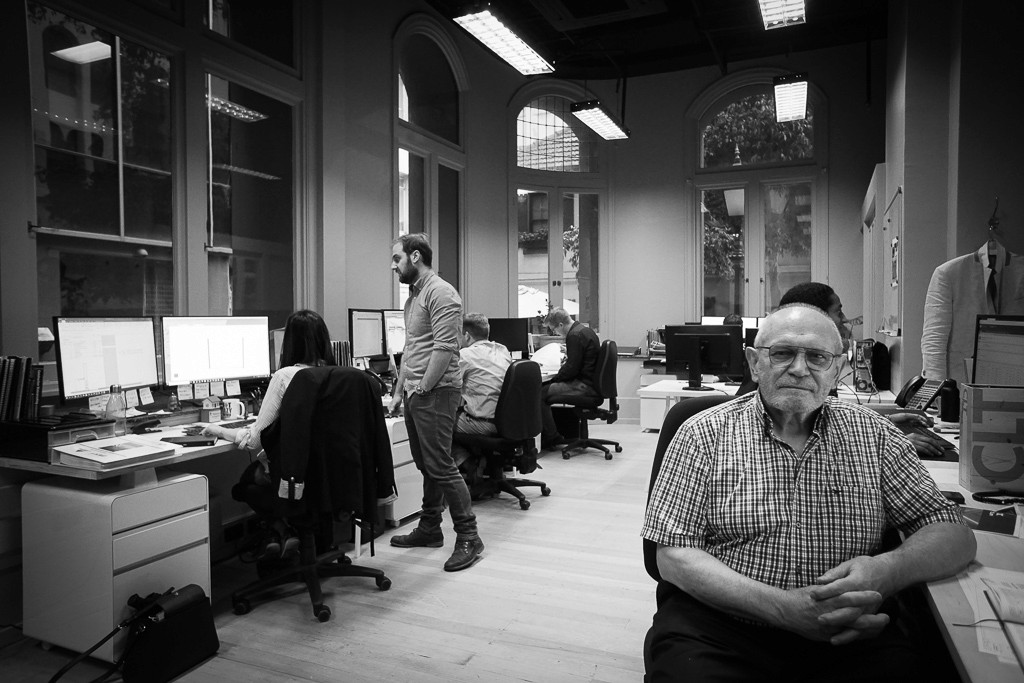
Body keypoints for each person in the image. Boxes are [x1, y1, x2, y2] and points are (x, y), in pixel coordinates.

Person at [642, 304, 976, 681]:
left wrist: (887, 571)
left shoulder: (878, 437)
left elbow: (952, 532)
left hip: (850, 632)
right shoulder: (701, 434)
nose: (800, 369)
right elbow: (672, 555)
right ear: (754, 363)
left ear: (836, 369)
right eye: (782, 353)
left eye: (817, 357)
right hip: (721, 625)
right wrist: (785, 608)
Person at [202, 309, 336, 560]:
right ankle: (284, 534)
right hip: (330, 478)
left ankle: (281, 530)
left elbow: (254, 440)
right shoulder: (337, 374)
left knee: (245, 485)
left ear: (290, 342)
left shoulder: (284, 376)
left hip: (297, 481)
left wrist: (218, 430)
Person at [386, 233, 484, 572]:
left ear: (415, 256)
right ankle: (430, 527)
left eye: (397, 259)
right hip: (416, 392)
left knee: (441, 465)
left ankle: (469, 536)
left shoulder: (441, 293)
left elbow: (445, 348)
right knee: (427, 464)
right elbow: (412, 349)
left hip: (437, 392)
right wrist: (399, 391)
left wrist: (424, 388)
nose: (393, 266)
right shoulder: (413, 298)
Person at [775, 282, 952, 458]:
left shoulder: (817, 365)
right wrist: (891, 443)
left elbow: (832, 421)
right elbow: (814, 441)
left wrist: (887, 421)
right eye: (838, 312)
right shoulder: (798, 374)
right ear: (817, 318)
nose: (844, 319)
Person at [450, 313, 513, 486]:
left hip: (486, 423)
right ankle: (481, 463)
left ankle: (468, 463)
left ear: (467, 335)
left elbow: (448, 385)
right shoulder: (502, 350)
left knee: (436, 425)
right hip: (509, 421)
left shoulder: (465, 355)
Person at [538, 307, 601, 450]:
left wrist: (554, 380)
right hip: (591, 383)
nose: (555, 333)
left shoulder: (574, 336)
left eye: (554, 329)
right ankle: (552, 435)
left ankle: (552, 437)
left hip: (583, 386)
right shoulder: (584, 331)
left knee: (540, 393)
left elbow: (571, 369)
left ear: (560, 324)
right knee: (545, 389)